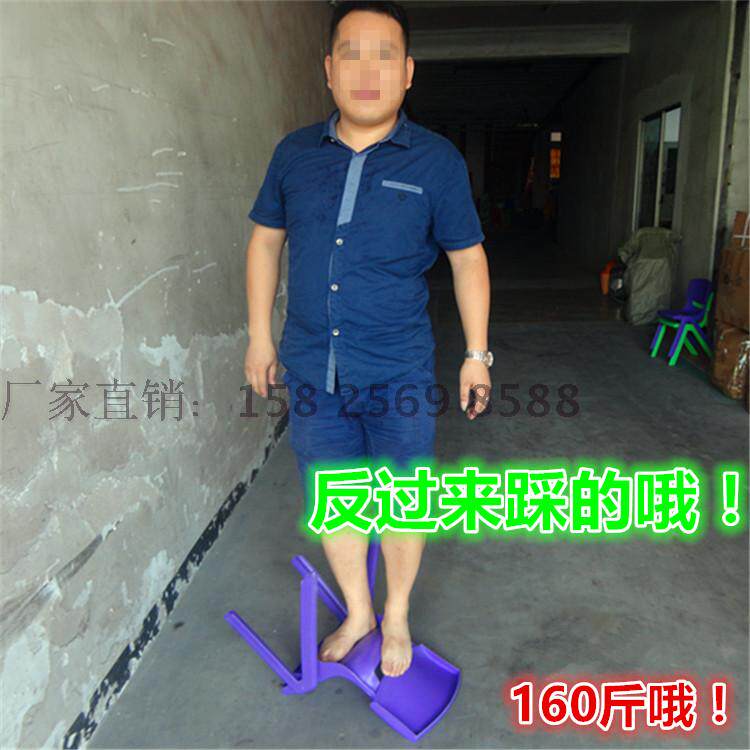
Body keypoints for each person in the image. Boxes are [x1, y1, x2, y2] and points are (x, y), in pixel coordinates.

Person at [244, 0, 492, 678]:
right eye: (351, 54)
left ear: (408, 72)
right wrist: (259, 338)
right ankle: (359, 611)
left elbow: (467, 258)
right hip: (312, 369)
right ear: (328, 69)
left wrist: (476, 355)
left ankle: (398, 614)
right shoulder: (294, 155)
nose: (367, 70)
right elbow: (265, 242)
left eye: (385, 55)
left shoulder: (437, 162)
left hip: (398, 370)